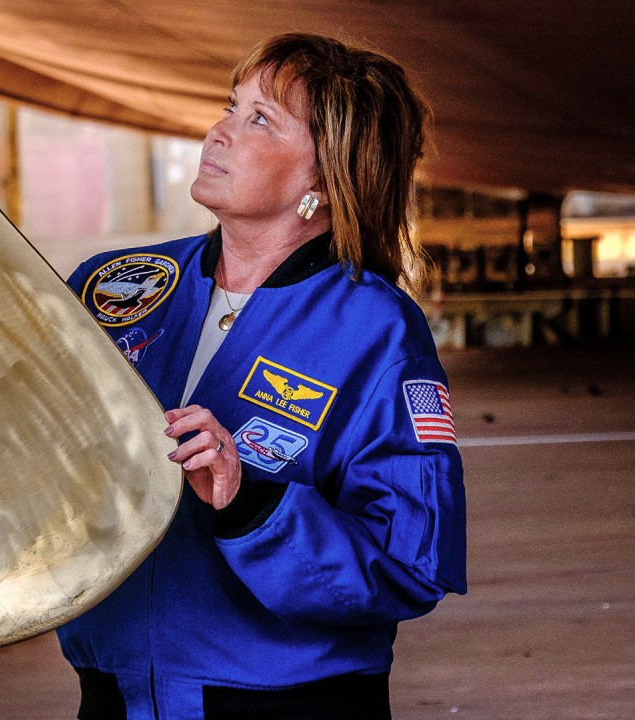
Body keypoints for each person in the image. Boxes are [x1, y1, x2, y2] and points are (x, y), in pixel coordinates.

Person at [57, 33, 468, 719]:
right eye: (231, 106)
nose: (218, 132)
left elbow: (410, 565)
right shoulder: (113, 287)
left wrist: (249, 501)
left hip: (289, 704)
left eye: (260, 120)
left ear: (323, 179)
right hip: (114, 697)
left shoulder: (375, 330)